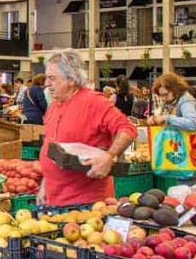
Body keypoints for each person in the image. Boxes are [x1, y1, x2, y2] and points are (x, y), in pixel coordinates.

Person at [38, 49, 137, 207]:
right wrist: (45, 183)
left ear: (71, 78)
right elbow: (52, 148)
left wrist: (109, 156)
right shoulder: (53, 106)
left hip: (87, 203)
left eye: (52, 78)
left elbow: (127, 129)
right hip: (54, 200)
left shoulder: (94, 102)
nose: (46, 84)